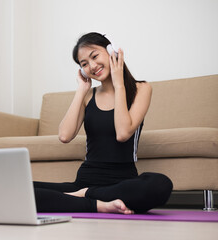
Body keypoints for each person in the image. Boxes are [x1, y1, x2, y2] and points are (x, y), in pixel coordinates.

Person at [34, 32, 173, 214]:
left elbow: (123, 133)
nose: (92, 66)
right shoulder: (88, 96)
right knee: (20, 188)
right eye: (84, 64)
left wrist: (119, 84)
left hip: (122, 184)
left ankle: (87, 195)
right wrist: (81, 90)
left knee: (160, 185)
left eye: (94, 56)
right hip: (84, 181)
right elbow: (64, 136)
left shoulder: (142, 89)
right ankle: (99, 204)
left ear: (111, 51)